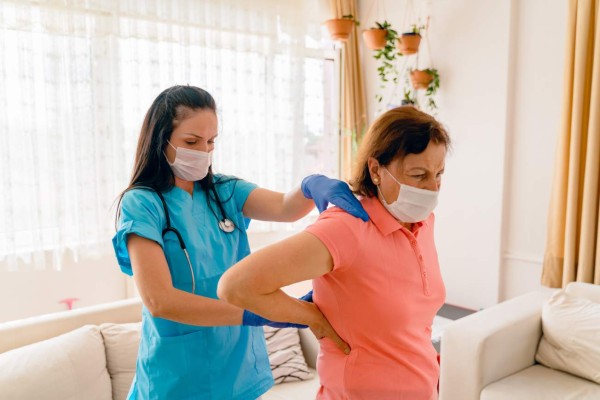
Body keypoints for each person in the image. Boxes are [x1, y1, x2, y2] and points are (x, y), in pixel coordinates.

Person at [112, 85, 369, 400]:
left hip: (238, 370)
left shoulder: (223, 191)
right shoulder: (143, 204)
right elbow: (159, 300)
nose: (203, 152)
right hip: (177, 377)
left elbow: (285, 208)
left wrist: (309, 185)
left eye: (210, 142)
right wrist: (258, 313)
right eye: (191, 142)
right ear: (160, 140)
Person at [218, 106, 450, 400]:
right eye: (418, 175)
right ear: (376, 170)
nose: (432, 188)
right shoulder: (347, 228)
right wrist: (311, 316)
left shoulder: (423, 222)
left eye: (439, 174)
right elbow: (236, 286)